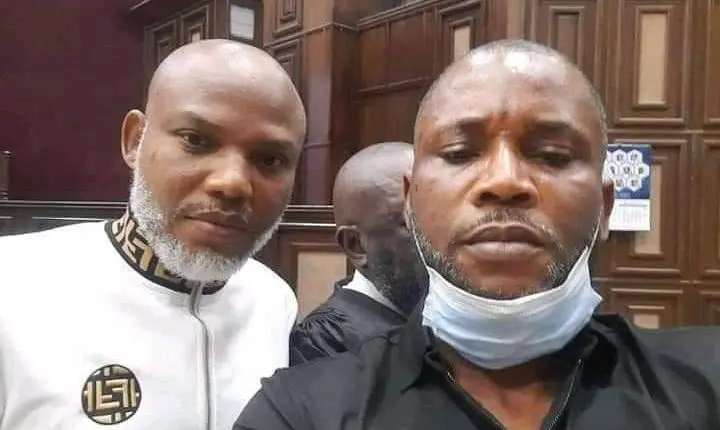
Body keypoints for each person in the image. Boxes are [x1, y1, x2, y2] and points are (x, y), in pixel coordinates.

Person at [233, 39, 720, 430]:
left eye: (551, 155)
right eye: (460, 153)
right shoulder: (300, 412)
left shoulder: (707, 381)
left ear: (605, 207)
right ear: (410, 204)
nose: (504, 181)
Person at [0, 39, 306, 430]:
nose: (232, 183)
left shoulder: (273, 301)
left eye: (270, 159)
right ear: (134, 141)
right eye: (196, 140)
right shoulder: (11, 284)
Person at [289, 142, 427, 365]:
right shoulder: (323, 344)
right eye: (413, 223)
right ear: (356, 245)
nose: (439, 240)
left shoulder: (444, 316)